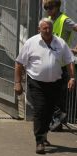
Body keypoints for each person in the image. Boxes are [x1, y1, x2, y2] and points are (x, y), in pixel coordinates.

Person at [14, 18, 75, 154]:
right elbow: (19, 63)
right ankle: (39, 141)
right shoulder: (31, 43)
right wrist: (18, 83)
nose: (47, 31)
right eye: (44, 28)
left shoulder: (60, 42)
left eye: (49, 28)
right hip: (36, 83)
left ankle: (44, 134)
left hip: (55, 83)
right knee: (40, 110)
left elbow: (69, 60)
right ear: (39, 29)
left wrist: (72, 77)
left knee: (49, 111)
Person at [43, 0, 77, 131]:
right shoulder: (47, 20)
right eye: (45, 7)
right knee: (51, 93)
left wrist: (75, 48)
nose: (48, 10)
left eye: (50, 7)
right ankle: (56, 122)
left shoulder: (64, 20)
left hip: (61, 64)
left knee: (57, 94)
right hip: (49, 62)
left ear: (57, 6)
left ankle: (57, 120)